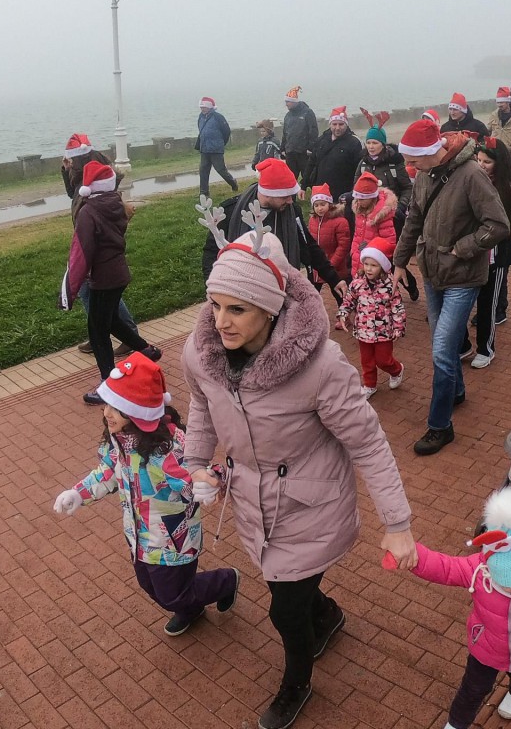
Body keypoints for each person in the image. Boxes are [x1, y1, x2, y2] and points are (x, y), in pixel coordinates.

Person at [184, 218, 417, 729]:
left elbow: (367, 442)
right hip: (252, 502)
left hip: (310, 506)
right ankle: (326, 615)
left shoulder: (321, 367)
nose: (221, 321)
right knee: (284, 588)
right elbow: (201, 405)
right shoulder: (201, 354)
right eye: (215, 305)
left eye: (237, 309)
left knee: (283, 611)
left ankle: (296, 683)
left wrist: (397, 524)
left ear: (270, 308)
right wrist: (196, 463)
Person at [51, 353, 239, 636]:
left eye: (116, 408)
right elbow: (107, 472)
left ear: (137, 411)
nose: (106, 413)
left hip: (172, 541)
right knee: (150, 585)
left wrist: (211, 484)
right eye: (107, 404)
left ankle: (225, 581)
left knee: (171, 594)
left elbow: (199, 476)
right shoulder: (119, 441)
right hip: (139, 537)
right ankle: (191, 608)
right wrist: (78, 493)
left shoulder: (167, 451)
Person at [384, 487, 511, 729]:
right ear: (491, 568)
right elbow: (445, 567)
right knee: (472, 689)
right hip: (486, 647)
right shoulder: (480, 570)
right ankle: (456, 724)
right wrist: (412, 558)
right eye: (508, 585)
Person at [393, 120, 509, 456]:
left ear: (431, 152)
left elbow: (498, 224)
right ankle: (456, 391)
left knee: (442, 351)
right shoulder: (424, 175)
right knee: (442, 344)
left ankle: (440, 425)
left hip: (463, 275)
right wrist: (399, 262)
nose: (409, 166)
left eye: (413, 159)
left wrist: (464, 248)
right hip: (432, 272)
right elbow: (414, 218)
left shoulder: (471, 174)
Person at [59, 162, 161, 404]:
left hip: (103, 279)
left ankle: (109, 385)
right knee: (110, 320)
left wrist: (69, 290)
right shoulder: (115, 203)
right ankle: (147, 350)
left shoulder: (89, 212)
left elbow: (81, 253)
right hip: (118, 274)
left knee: (97, 332)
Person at [201, 158, 347, 301]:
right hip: (242, 294)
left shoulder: (292, 212)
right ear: (268, 193)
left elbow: (308, 246)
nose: (290, 201)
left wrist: (334, 279)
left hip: (280, 293)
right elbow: (213, 251)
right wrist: (214, 288)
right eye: (285, 196)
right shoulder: (230, 211)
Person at [62, 134, 142, 357]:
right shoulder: (81, 173)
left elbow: (94, 203)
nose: (67, 163)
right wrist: (65, 170)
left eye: (69, 160)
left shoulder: (93, 174)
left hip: (96, 243)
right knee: (91, 293)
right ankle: (99, 332)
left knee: (100, 292)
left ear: (77, 159)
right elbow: (72, 193)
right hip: (90, 237)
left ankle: (126, 335)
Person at [468, 138, 511, 368]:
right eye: (478, 160)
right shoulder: (474, 180)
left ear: (499, 163)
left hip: (497, 254)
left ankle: (486, 349)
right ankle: (465, 344)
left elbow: (508, 227)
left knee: (489, 301)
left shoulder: (507, 188)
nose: (481, 165)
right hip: (477, 250)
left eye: (487, 161)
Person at [356, 109, 418, 300]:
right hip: (369, 219)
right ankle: (379, 294)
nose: (371, 146)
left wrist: (400, 207)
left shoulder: (394, 163)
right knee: (372, 257)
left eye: (375, 143)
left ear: (383, 144)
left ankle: (409, 285)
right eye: (368, 142)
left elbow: (407, 188)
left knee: (389, 256)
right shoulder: (363, 164)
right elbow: (356, 187)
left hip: (391, 218)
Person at [336, 238, 406, 398]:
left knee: (383, 360)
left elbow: (397, 307)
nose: (368, 268)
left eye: (373, 265)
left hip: (384, 331)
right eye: (366, 264)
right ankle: (369, 385)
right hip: (363, 330)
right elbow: (349, 300)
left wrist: (398, 327)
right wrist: (343, 313)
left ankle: (396, 370)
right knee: (367, 361)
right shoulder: (357, 283)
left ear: (382, 266)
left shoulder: (390, 285)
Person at [304, 107, 362, 200]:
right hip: (321, 191)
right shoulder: (322, 139)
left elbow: (358, 171)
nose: (337, 128)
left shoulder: (354, 143)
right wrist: (304, 185)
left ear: (346, 124)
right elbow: (312, 162)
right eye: (334, 124)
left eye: (341, 124)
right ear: (330, 124)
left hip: (342, 192)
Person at [348, 172, 397, 277]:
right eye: (357, 198)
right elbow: (357, 235)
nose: (359, 202)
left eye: (362, 199)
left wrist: (371, 248)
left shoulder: (383, 216)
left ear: (371, 197)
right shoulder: (359, 211)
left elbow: (389, 242)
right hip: (358, 257)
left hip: (374, 263)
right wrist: (354, 251)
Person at [306, 185, 350, 300]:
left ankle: (345, 311)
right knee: (312, 297)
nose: (319, 208)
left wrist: (331, 265)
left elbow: (343, 246)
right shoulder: (312, 220)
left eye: (322, 204)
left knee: (341, 296)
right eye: (316, 205)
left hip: (335, 267)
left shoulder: (340, 222)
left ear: (329, 204)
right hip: (317, 268)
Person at [196, 96, 239, 196]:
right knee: (203, 171)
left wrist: (220, 143)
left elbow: (226, 131)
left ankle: (233, 182)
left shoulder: (218, 117)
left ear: (209, 107)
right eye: (201, 107)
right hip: (204, 149)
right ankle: (204, 192)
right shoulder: (200, 117)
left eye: (204, 107)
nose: (202, 109)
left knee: (220, 170)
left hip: (216, 149)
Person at [282, 86, 318, 177]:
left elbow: (313, 130)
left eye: (288, 102)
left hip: (304, 152)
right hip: (290, 152)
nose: (286, 104)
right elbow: (285, 133)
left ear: (294, 101)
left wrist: (311, 147)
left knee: (308, 176)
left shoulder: (307, 112)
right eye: (285, 102)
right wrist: (282, 148)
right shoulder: (288, 115)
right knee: (290, 177)